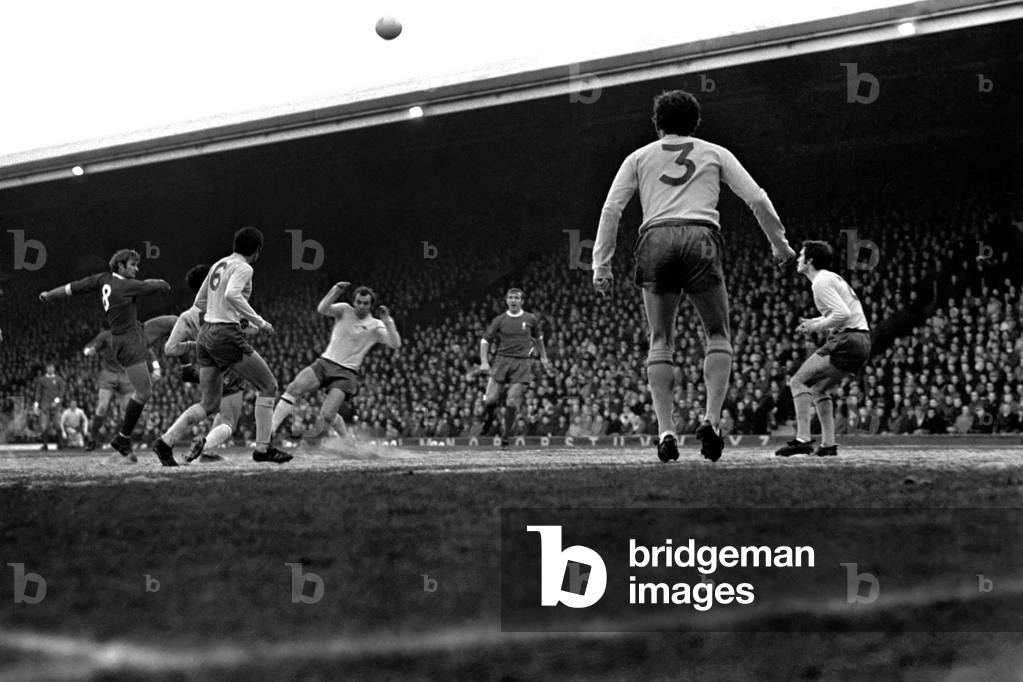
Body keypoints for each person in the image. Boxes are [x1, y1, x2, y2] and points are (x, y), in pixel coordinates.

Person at [591, 89, 795, 463]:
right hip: (701, 236)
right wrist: (779, 245)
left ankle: (666, 431)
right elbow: (757, 199)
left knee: (660, 339)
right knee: (718, 333)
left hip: (655, 237)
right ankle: (711, 421)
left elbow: (611, 210)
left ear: (657, 124)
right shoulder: (715, 152)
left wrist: (601, 265)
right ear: (695, 123)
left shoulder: (638, 157)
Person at [151, 227, 289, 466]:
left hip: (206, 336)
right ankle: (262, 449)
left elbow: (199, 301)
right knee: (269, 385)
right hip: (225, 334)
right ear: (257, 250)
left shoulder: (218, 264)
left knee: (209, 403)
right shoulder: (245, 267)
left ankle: (165, 442)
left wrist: (218, 316)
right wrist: (259, 321)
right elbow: (233, 295)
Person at [39, 249, 171, 462]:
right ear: (120, 266)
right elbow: (153, 286)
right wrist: (163, 283)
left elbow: (75, 287)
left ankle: (187, 368)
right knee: (143, 393)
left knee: (173, 322)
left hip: (133, 333)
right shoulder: (126, 286)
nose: (136, 269)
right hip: (127, 342)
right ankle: (120, 438)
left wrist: (50, 294)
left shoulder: (103, 279)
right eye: (132, 265)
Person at [269, 282, 401, 443]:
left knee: (327, 414)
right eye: (359, 302)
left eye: (365, 303)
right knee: (293, 388)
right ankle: (271, 431)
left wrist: (388, 322)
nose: (361, 306)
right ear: (354, 301)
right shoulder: (345, 310)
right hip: (325, 362)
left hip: (346, 373)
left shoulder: (376, 325)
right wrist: (335, 291)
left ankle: (347, 439)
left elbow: (395, 344)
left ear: (371, 305)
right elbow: (322, 309)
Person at [775, 241, 871, 457]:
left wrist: (816, 325)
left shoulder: (820, 282)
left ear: (809, 261)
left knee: (797, 381)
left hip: (848, 338)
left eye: (801, 256)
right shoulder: (831, 277)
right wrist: (815, 321)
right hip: (862, 340)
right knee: (819, 389)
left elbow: (842, 314)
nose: (798, 259)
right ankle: (828, 445)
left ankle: (803, 439)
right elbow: (842, 311)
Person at [478, 288, 551, 446]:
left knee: (511, 401)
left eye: (516, 298)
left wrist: (544, 357)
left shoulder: (530, 318)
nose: (513, 300)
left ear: (521, 301)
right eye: (510, 297)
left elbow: (538, 338)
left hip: (521, 362)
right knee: (490, 398)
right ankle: (489, 418)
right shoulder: (500, 319)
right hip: (502, 360)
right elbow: (485, 340)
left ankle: (505, 435)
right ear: (506, 300)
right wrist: (484, 361)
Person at [32, 363, 67, 450]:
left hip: (56, 405)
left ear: (54, 369)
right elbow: (38, 392)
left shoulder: (59, 379)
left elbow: (62, 391)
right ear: (46, 369)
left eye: (52, 367)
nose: (50, 369)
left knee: (57, 424)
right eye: (49, 368)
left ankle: (60, 444)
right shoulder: (41, 380)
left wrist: (57, 400)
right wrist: (36, 404)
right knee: (44, 425)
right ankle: (45, 445)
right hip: (45, 404)